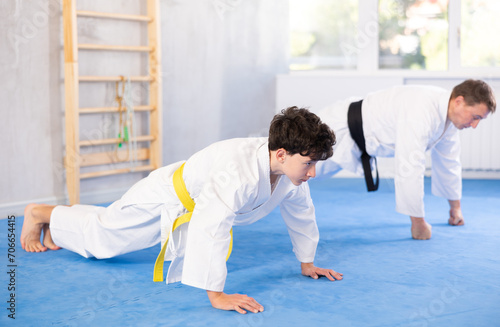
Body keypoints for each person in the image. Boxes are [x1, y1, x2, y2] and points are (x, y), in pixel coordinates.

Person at [21, 107, 343, 314]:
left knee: (105, 231)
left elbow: (302, 211)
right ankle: (39, 213)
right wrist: (216, 295)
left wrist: (307, 261)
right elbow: (210, 226)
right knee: (104, 238)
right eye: (309, 163)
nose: (312, 172)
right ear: (283, 154)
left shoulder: (289, 174)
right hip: (165, 196)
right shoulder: (238, 171)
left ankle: (55, 223)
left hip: (188, 199)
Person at [315, 79, 496, 240]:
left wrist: (455, 208)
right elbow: (409, 166)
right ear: (459, 101)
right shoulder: (421, 111)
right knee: (295, 171)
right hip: (337, 130)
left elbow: (449, 163)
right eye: (475, 117)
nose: (474, 125)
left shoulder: (449, 118)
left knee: (300, 176)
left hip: (357, 137)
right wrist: (418, 222)